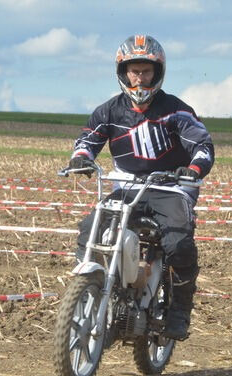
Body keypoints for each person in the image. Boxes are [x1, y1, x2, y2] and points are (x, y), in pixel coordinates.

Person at [67, 34, 215, 341]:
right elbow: (87, 141)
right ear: (123, 72)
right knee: (91, 226)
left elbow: (202, 145)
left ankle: (179, 309)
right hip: (128, 185)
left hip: (171, 188)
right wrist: (81, 159)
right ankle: (94, 285)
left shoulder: (176, 110)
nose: (140, 78)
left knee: (178, 244)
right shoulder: (108, 111)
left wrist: (192, 169)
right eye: (134, 70)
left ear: (157, 73)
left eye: (146, 71)